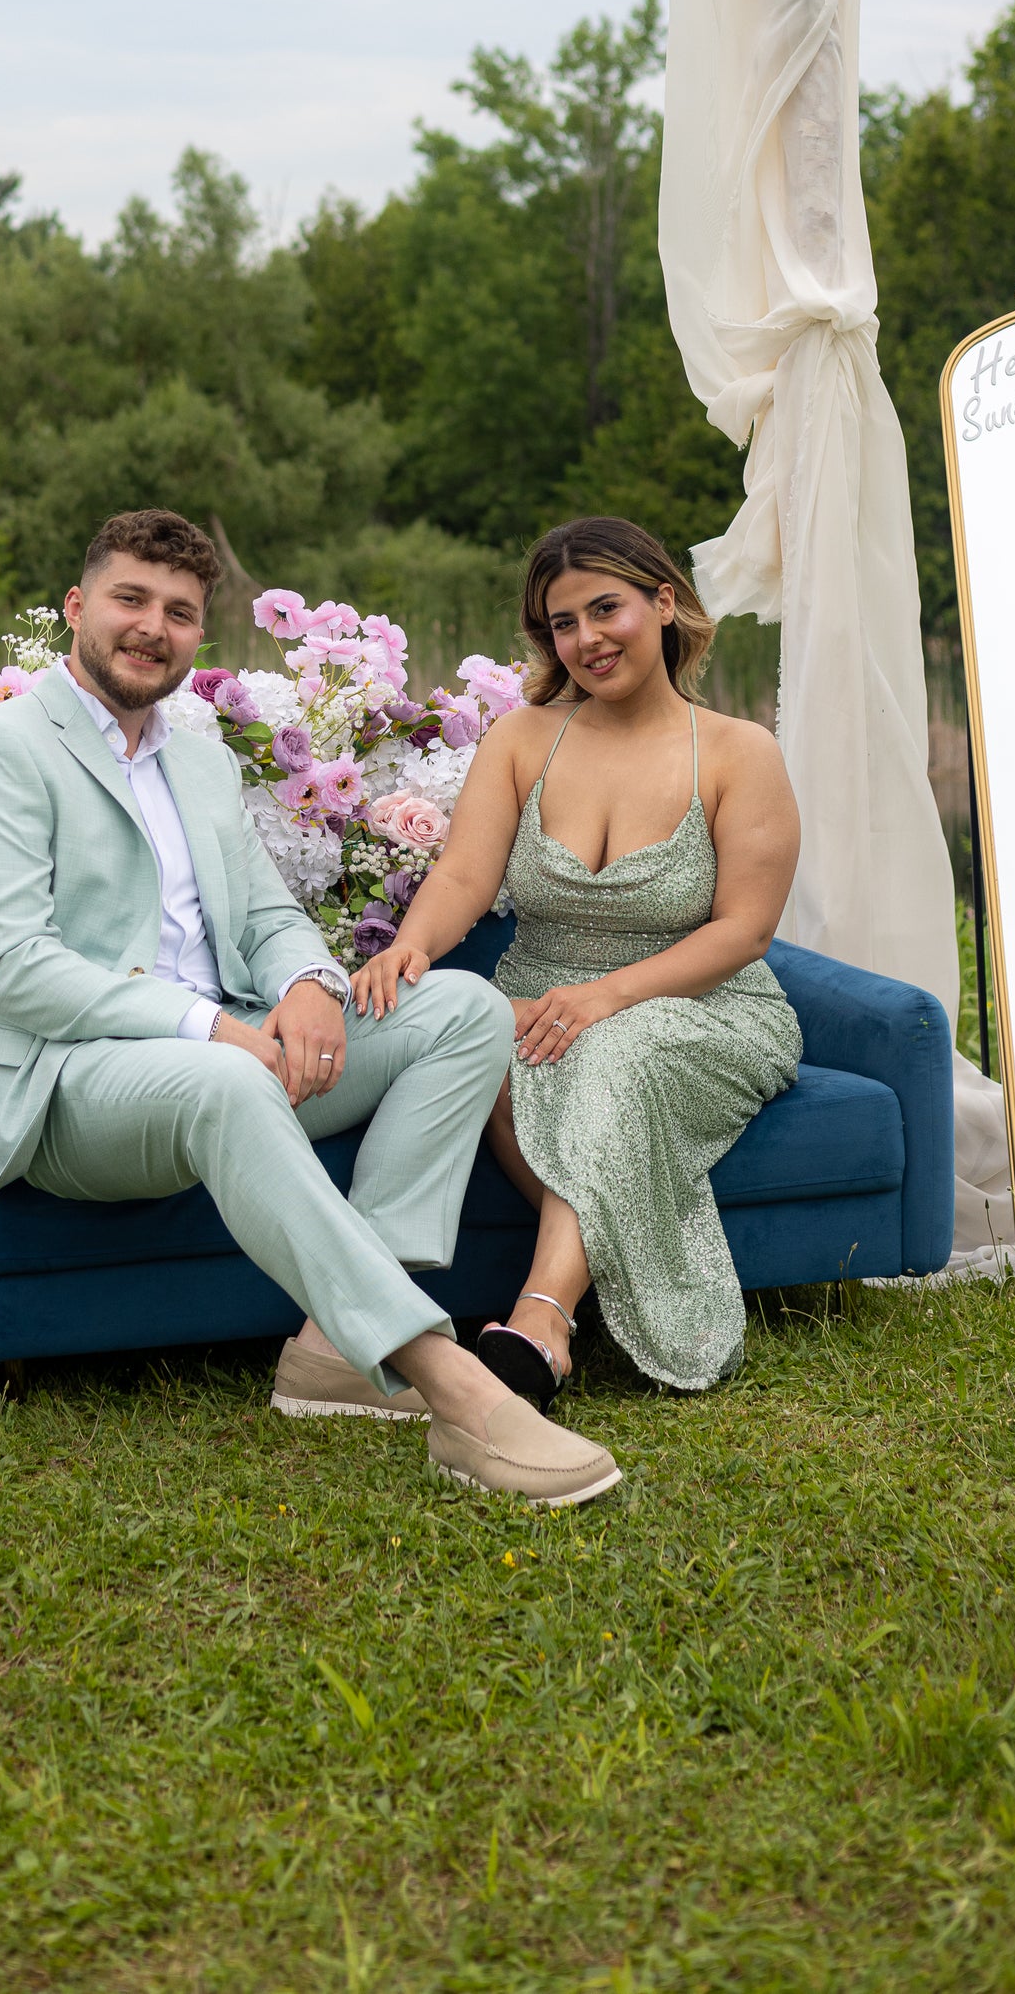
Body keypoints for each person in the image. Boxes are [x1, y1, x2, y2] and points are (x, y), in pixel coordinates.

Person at [0, 507, 621, 1508]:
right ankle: (454, 1385)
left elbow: (263, 915)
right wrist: (212, 1029)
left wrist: (307, 987)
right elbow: (12, 968)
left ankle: (334, 1350)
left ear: (198, 634)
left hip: (231, 1048)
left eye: (178, 611)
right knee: (227, 1078)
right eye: (129, 599)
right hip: (71, 1078)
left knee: (463, 1009)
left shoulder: (199, 759)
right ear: (76, 606)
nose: (152, 626)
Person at [354, 516, 802, 1401]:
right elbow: (464, 875)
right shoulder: (523, 739)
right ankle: (581, 1296)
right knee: (482, 1047)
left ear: (663, 603)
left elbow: (744, 932)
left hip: (704, 1002)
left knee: (616, 1051)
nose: (588, 638)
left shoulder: (738, 751)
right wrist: (410, 947)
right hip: (535, 996)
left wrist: (607, 996)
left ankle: (542, 1322)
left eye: (606, 609)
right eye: (564, 623)